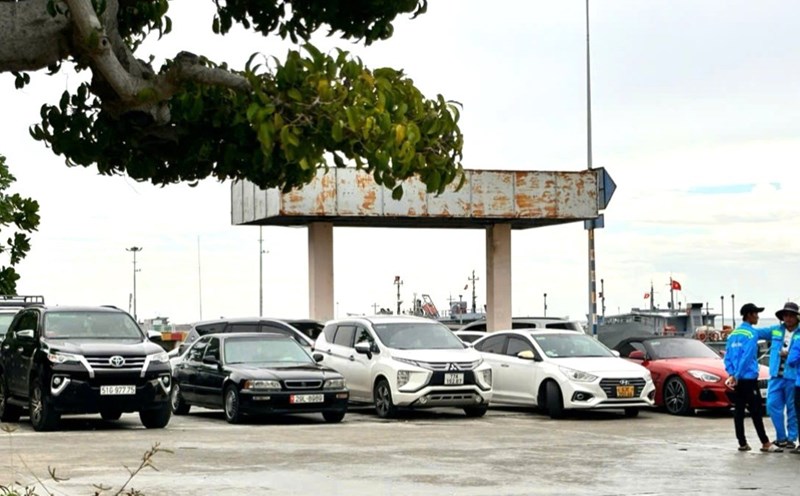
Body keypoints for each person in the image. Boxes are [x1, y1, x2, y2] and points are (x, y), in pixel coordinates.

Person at [724, 303, 782, 452]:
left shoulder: (732, 335)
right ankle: (765, 442)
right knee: (756, 410)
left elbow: (727, 357)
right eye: (756, 314)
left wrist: (732, 374)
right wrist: (737, 374)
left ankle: (742, 443)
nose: (758, 317)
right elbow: (748, 356)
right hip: (748, 378)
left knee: (739, 411)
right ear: (749, 315)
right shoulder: (751, 334)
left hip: (736, 380)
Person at [757, 302, 800, 449]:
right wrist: (741, 332)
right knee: (772, 405)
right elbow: (756, 333)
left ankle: (792, 438)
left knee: (792, 408)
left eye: (791, 315)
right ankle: (781, 437)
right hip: (776, 375)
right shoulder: (775, 330)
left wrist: (790, 355)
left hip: (793, 376)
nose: (788, 318)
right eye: (785, 315)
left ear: (796, 317)